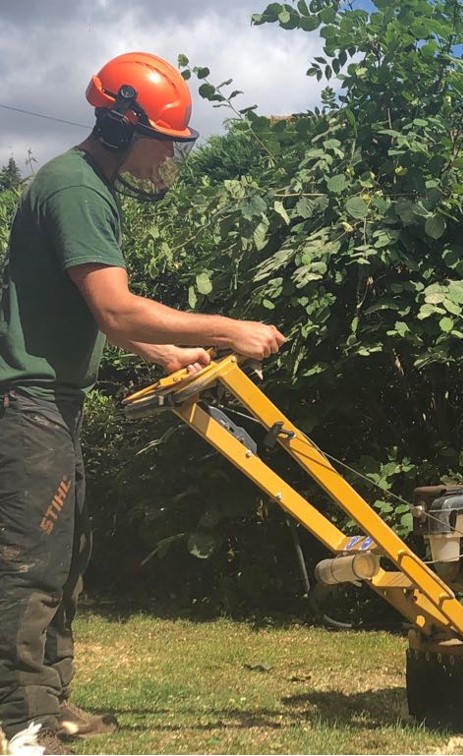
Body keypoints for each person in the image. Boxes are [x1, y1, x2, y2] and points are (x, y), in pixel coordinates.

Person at [0, 52, 286, 754]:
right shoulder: (75, 190)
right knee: (30, 562)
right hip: (29, 403)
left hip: (52, 402)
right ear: (125, 128)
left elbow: (87, 312)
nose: (170, 155)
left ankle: (51, 701)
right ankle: (20, 723)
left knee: (65, 554)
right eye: (166, 139)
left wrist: (166, 353)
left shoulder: (88, 185)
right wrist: (226, 329)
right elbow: (116, 311)